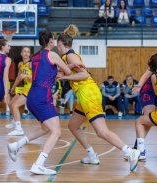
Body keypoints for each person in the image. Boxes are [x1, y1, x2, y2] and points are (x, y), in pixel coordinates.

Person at [57, 24, 140, 172]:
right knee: (73, 126)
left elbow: (85, 74)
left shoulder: (70, 55)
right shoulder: (68, 57)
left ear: (59, 44)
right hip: (84, 95)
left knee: (101, 131)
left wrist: (65, 77)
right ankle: (92, 155)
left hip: (89, 93)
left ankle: (130, 151)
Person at [7, 31, 74, 175]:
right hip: (43, 97)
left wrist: (53, 74)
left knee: (45, 129)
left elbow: (42, 72)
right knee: (56, 132)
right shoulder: (53, 55)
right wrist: (73, 64)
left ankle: (16, 145)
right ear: (50, 41)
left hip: (31, 96)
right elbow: (68, 71)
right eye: (53, 39)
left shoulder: (34, 57)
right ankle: (38, 164)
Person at [5, 47, 32, 136]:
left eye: (28, 52)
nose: (26, 53)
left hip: (31, 89)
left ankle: (19, 128)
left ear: (30, 54)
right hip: (25, 88)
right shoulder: (20, 64)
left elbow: (38, 78)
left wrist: (26, 76)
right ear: (21, 53)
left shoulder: (31, 64)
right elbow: (18, 77)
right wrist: (13, 88)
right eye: (24, 51)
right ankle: (14, 121)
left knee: (14, 105)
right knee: (11, 103)